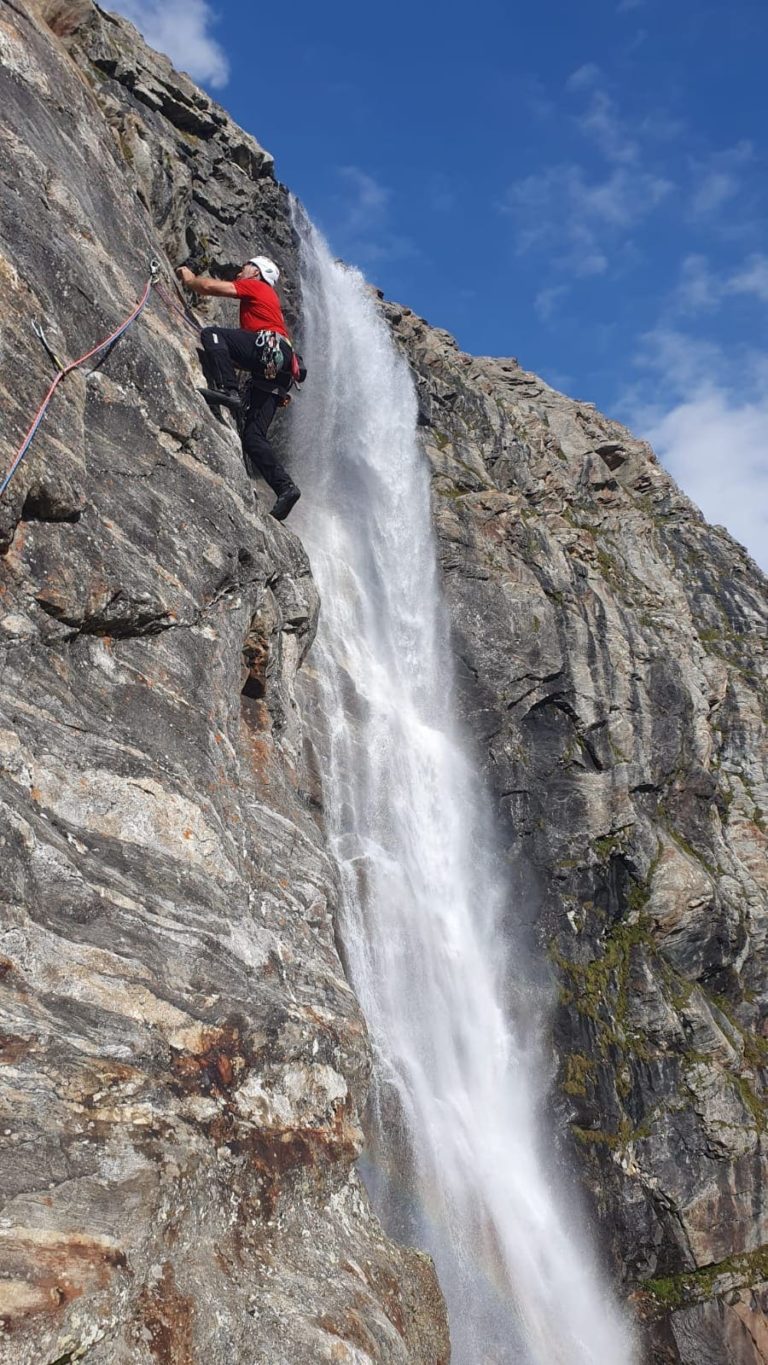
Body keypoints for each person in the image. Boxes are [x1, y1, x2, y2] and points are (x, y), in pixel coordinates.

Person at [176, 255, 300, 522]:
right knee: (253, 437)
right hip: (280, 365)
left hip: (267, 349)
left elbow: (209, 288)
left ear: (256, 273)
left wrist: (188, 279)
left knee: (213, 335)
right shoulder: (270, 306)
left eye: (246, 266)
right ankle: (285, 488)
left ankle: (229, 391)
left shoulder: (257, 287)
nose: (240, 270)